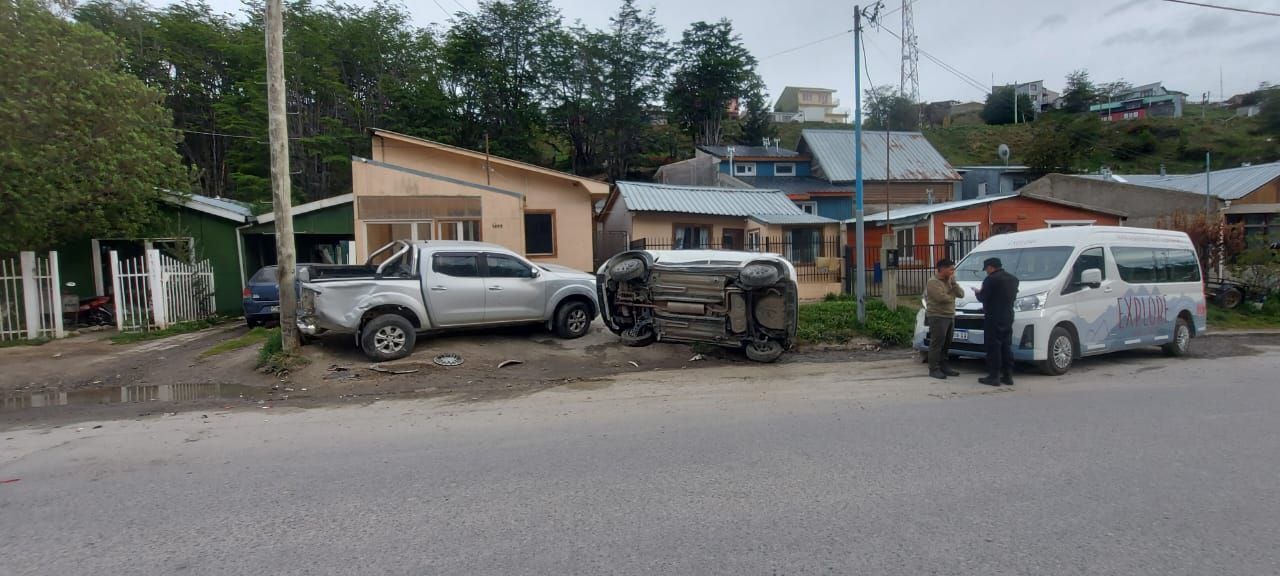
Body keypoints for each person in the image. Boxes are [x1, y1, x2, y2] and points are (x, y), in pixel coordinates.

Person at [974, 257, 1020, 386]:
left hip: (993, 317)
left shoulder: (990, 280)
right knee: (1006, 346)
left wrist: (978, 293)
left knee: (993, 346)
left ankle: (994, 376)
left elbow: (983, 297)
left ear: (990, 267)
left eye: (986, 269)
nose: (986, 272)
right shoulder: (1013, 279)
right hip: (1008, 315)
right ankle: (1008, 375)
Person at [924, 258, 965, 380]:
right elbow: (942, 298)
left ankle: (944, 366)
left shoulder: (950, 281)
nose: (953, 271)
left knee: (947, 344)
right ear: (942, 269)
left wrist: (954, 284)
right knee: (937, 343)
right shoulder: (933, 282)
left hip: (949, 315)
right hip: (938, 316)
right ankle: (933, 368)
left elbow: (961, 294)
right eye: (951, 269)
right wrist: (952, 294)